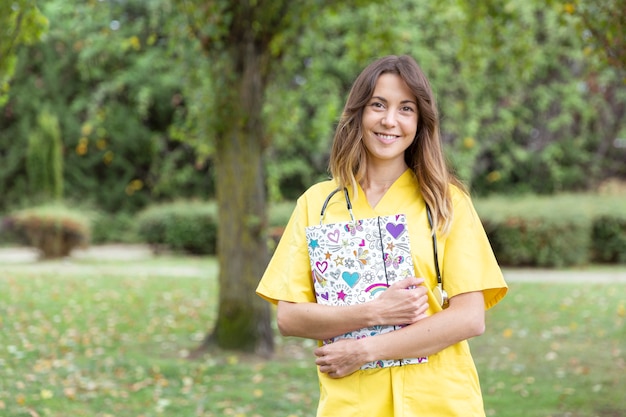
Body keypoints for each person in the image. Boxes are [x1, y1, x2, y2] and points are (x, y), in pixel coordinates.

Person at [256, 54, 508, 417]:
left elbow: (469, 318)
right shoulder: (318, 204)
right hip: (353, 405)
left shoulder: (447, 202)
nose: (390, 120)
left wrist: (366, 350)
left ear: (420, 122)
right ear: (358, 113)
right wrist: (373, 311)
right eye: (378, 105)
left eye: (406, 109)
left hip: (439, 404)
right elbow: (290, 317)